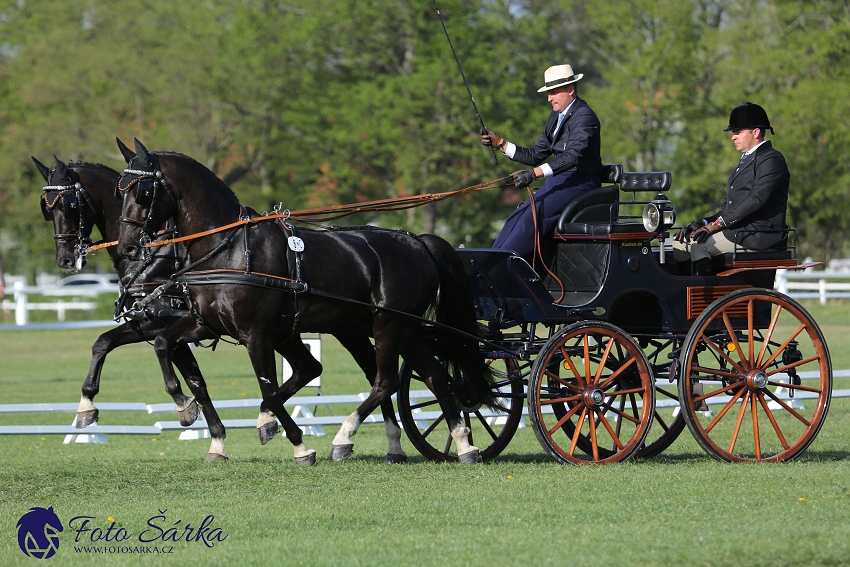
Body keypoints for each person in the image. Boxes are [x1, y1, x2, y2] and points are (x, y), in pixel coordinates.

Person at [481, 64, 603, 263]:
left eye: (553, 93)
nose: (549, 98)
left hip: (581, 183)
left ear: (570, 89)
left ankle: (503, 265)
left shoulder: (585, 117)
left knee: (534, 213)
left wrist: (533, 174)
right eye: (548, 93)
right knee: (520, 213)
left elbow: (572, 156)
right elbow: (535, 154)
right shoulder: (556, 116)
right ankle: (492, 260)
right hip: (561, 182)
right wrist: (500, 144)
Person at [673, 102, 790, 275]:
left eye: (738, 132)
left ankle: (707, 300)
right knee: (679, 243)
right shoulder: (746, 160)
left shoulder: (772, 160)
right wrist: (704, 222)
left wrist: (717, 225)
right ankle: (684, 296)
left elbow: (755, 199)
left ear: (756, 132)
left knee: (699, 246)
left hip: (758, 235)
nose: (733, 137)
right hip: (739, 230)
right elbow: (729, 207)